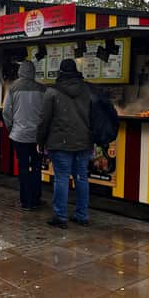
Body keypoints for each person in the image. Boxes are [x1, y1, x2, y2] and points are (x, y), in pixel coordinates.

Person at [37, 59, 93, 229]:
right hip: (84, 141)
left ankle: (60, 217)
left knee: (61, 178)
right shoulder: (87, 89)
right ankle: (82, 215)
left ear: (60, 72)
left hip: (60, 142)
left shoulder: (52, 92)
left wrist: (40, 140)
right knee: (81, 178)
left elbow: (44, 119)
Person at [3, 61, 46, 210]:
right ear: (33, 72)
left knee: (22, 167)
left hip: (19, 135)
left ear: (20, 71)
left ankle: (25, 201)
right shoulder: (42, 89)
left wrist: (11, 127)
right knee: (36, 166)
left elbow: (6, 112)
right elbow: (47, 113)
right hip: (37, 136)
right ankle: (36, 198)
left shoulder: (13, 88)